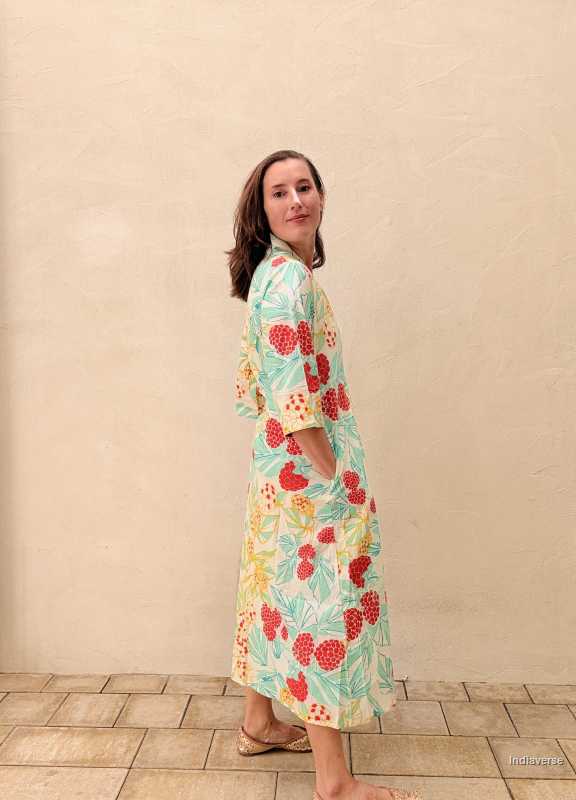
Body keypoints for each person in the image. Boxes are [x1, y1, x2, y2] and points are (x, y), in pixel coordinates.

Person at [226, 150, 421, 800]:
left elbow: (254, 388)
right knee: (321, 611)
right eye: (279, 193)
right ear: (264, 211)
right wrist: (333, 474)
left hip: (276, 472)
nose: (296, 201)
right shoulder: (290, 283)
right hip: (308, 479)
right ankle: (333, 780)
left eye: (304, 187)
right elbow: (290, 395)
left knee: (276, 592)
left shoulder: (270, 275)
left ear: (322, 195)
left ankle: (258, 722)